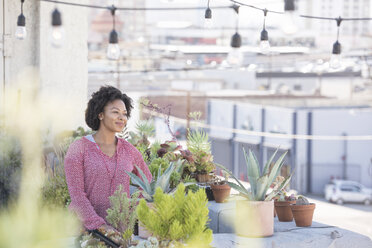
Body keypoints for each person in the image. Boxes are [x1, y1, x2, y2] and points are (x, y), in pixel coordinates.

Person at [64, 86, 152, 231]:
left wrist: (130, 209)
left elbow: (148, 183)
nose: (121, 117)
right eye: (115, 112)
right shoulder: (79, 148)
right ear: (100, 115)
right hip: (85, 233)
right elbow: (77, 196)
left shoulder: (130, 151)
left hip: (120, 233)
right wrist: (102, 227)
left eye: (124, 114)